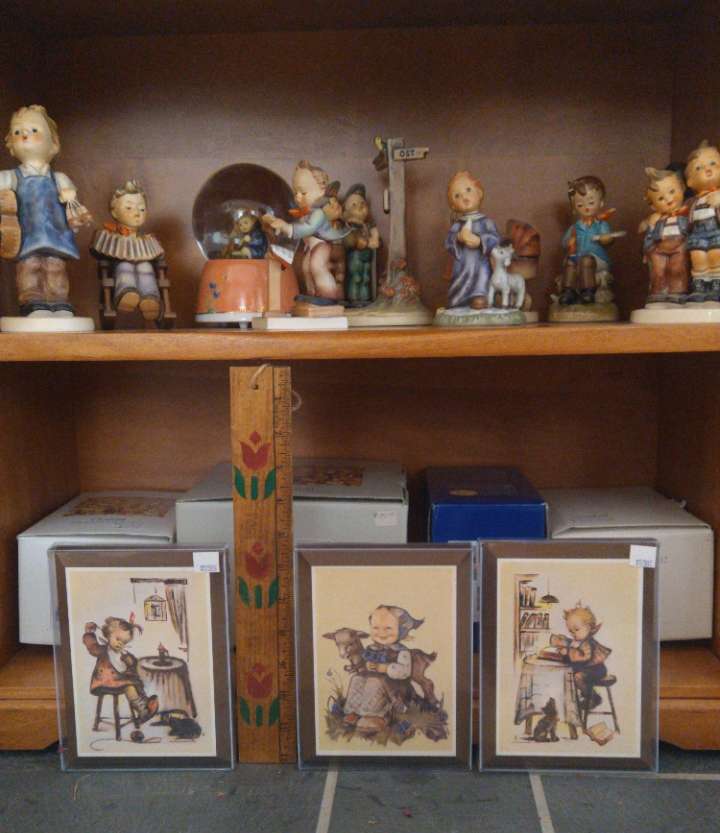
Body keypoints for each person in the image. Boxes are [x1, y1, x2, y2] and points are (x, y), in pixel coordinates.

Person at [0, 104, 91, 316]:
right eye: (17, 132)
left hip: (55, 234)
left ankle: (58, 301)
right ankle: (32, 300)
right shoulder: (10, 177)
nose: (25, 135)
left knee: (55, 266)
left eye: (34, 130)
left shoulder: (59, 179)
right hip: (27, 234)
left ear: (54, 144)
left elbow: (72, 204)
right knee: (29, 266)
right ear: (11, 145)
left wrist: (75, 212)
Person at [262, 160, 348, 301]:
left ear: (322, 191)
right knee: (305, 268)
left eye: (303, 192)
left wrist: (286, 227)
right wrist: (277, 226)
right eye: (296, 192)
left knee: (317, 266)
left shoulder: (319, 213)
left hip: (322, 245)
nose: (298, 197)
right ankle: (312, 294)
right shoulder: (306, 213)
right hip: (311, 247)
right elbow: (297, 230)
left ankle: (329, 296)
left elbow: (308, 229)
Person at [342, 604, 423, 735]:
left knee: (374, 683)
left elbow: (405, 672)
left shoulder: (401, 652)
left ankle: (375, 715)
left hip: (394, 686)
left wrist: (386, 668)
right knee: (357, 679)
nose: (381, 633)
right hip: (374, 680)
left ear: (401, 630)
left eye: (388, 628)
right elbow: (365, 661)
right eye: (376, 628)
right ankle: (355, 711)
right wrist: (365, 666)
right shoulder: (372, 648)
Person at [90, 180, 166, 320]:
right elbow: (98, 247)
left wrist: (158, 253)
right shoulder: (109, 234)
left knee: (146, 268)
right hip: (120, 267)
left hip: (143, 265)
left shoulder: (147, 239)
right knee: (124, 267)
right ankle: (126, 294)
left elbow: (159, 254)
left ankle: (150, 299)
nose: (137, 213)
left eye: (141, 209)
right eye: (129, 208)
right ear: (114, 212)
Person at [83, 616, 159, 723]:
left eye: (124, 642)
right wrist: (88, 633)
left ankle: (144, 703)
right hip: (104, 681)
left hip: (117, 679)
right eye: (117, 639)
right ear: (108, 636)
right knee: (129, 686)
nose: (120, 644)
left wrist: (127, 657)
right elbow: (92, 648)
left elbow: (133, 663)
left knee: (135, 681)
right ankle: (143, 710)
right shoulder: (103, 650)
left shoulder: (122, 652)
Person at [444, 171, 500, 309]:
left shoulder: (486, 222)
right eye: (457, 196)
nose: (464, 197)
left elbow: (495, 239)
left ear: (479, 193)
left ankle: (480, 295)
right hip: (463, 265)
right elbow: (448, 242)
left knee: (482, 275)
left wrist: (480, 241)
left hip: (481, 262)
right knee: (460, 280)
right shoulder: (458, 225)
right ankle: (459, 299)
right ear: (453, 206)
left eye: (468, 190)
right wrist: (458, 237)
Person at [559, 176, 617, 305]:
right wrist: (569, 242)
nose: (586, 207)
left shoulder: (601, 225)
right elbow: (564, 243)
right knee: (570, 262)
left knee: (586, 260)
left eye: (591, 203)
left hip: (597, 259)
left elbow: (607, 240)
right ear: (574, 208)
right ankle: (568, 291)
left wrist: (606, 239)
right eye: (580, 204)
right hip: (577, 256)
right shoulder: (575, 227)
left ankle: (588, 291)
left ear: (601, 203)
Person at [638, 167, 689, 303]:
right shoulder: (656, 219)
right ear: (653, 206)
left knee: (677, 269)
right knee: (657, 270)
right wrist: (647, 248)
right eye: (660, 198)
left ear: (682, 188)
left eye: (672, 191)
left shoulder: (687, 212)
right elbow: (649, 236)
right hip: (660, 247)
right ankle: (658, 292)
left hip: (679, 246)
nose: (668, 199)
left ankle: (677, 291)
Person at [551, 603, 611, 710]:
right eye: (571, 631)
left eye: (576, 629)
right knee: (567, 674)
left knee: (578, 677)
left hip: (596, 670)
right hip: (585, 669)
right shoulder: (577, 641)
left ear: (588, 627)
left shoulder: (588, 643)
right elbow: (570, 650)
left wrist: (568, 652)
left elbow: (584, 657)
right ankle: (578, 698)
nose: (573, 634)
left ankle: (593, 697)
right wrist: (563, 650)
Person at [684, 140, 720, 302]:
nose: (707, 169)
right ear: (690, 181)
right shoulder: (692, 202)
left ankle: (716, 284)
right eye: (698, 168)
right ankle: (700, 286)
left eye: (713, 163)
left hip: (716, 232)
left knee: (715, 256)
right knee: (698, 258)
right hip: (697, 234)